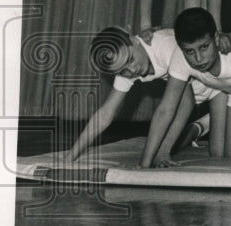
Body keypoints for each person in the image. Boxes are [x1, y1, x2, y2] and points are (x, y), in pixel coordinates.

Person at [139, 8, 231, 167]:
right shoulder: (180, 57)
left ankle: (204, 124)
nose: (198, 58)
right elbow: (165, 110)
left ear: (216, 38)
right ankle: (204, 124)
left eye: (204, 47)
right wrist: (144, 164)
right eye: (190, 51)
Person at [69, 26, 206, 161]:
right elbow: (105, 113)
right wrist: (70, 157)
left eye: (131, 60)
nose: (133, 70)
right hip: (195, 88)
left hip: (218, 83)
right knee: (173, 144)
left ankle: (205, 123)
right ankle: (198, 127)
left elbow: (186, 104)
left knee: (219, 151)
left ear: (134, 40)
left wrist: (163, 152)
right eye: (123, 71)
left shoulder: (163, 45)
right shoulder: (125, 63)